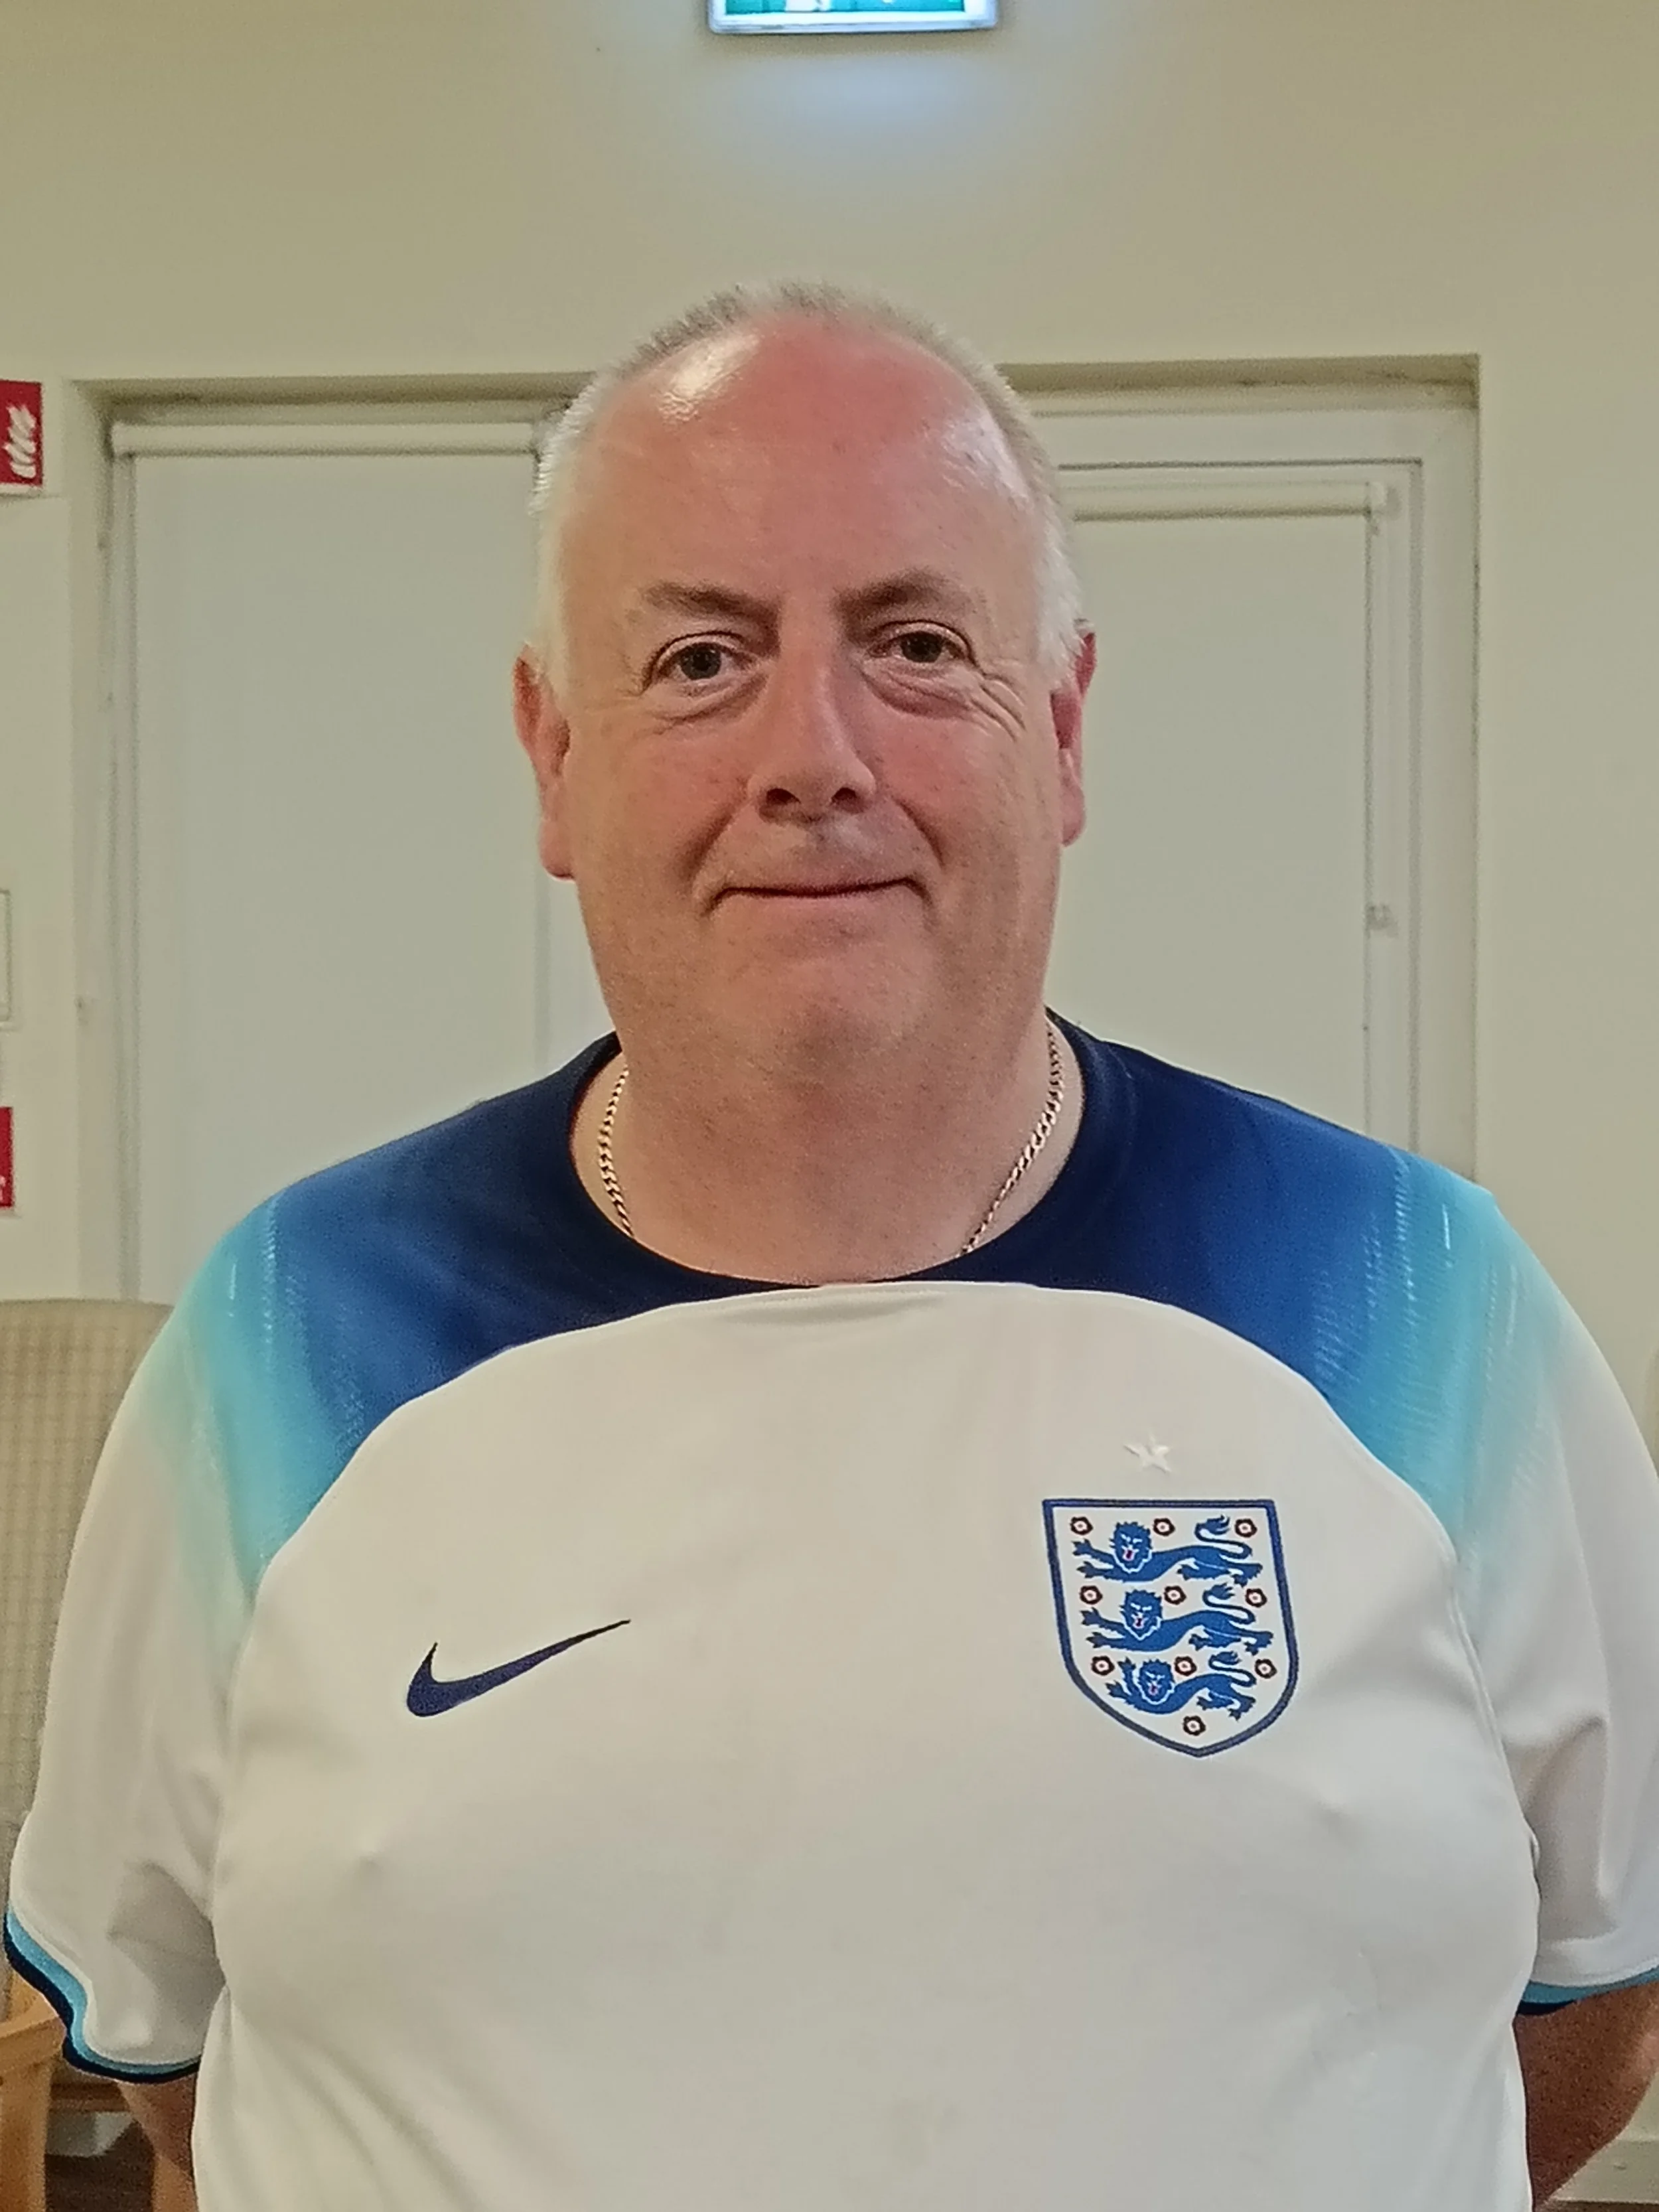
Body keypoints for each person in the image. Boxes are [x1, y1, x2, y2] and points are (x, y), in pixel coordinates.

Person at [7, 282, 1659, 2212]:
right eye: (701, 658)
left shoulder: (1413, 1294)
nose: (813, 751)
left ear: (1058, 728)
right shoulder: (284, 1334)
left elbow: (1580, 2008)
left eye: (916, 643)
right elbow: (178, 2053)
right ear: (553, 754)